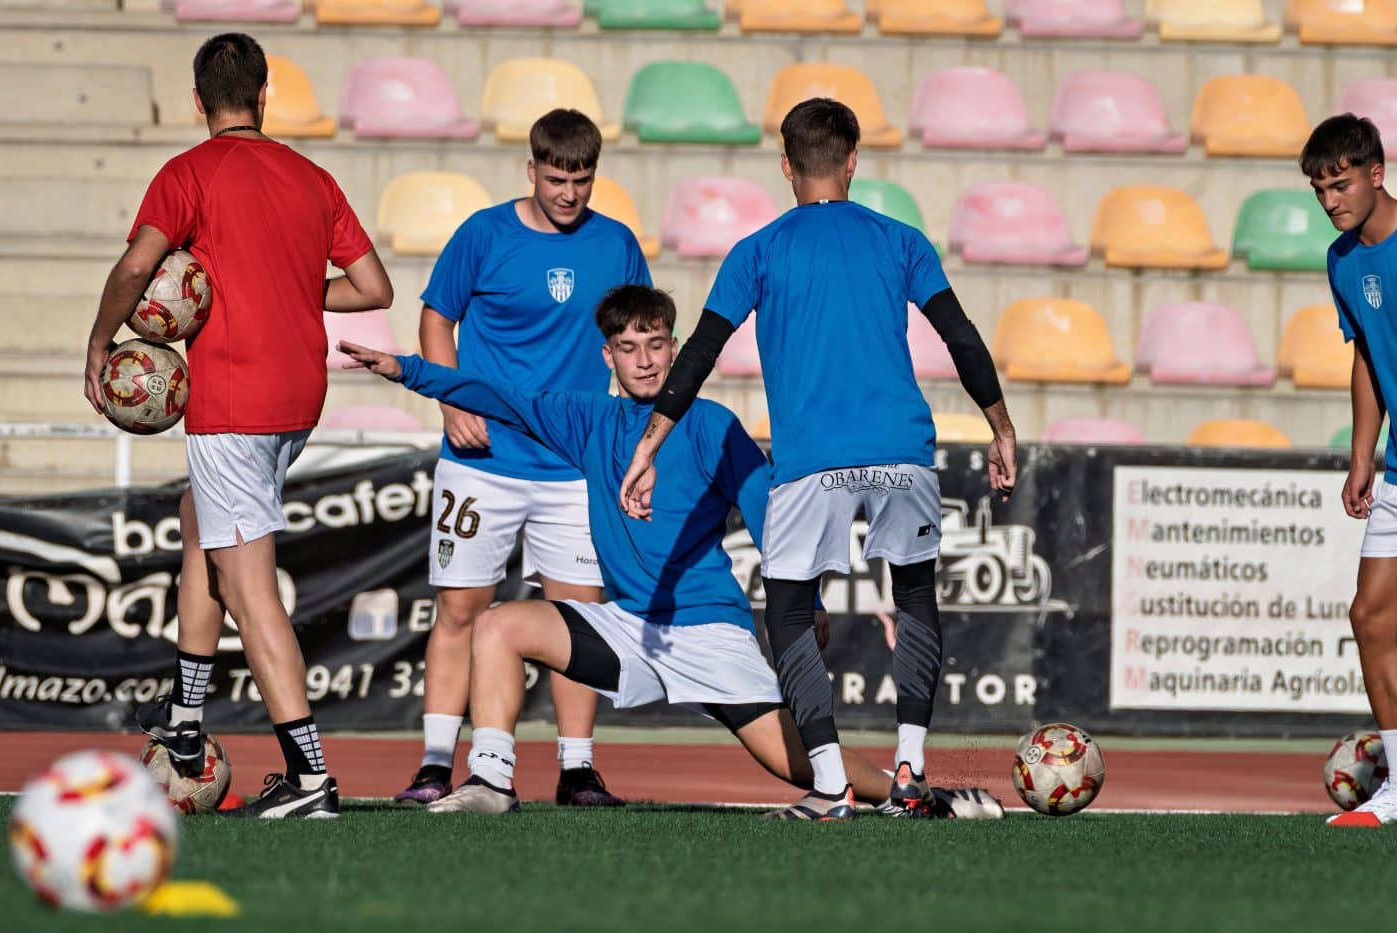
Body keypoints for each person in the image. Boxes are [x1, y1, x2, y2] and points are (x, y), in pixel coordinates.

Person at [338, 285, 1002, 820]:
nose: (645, 360)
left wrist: (811, 597)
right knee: (498, 624)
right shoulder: (588, 419)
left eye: (656, 344)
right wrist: (408, 370)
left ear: (677, 348)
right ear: (608, 357)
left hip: (709, 628)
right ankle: (490, 778)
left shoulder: (712, 424)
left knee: (796, 763)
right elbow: (496, 396)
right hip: (630, 625)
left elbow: (769, 510)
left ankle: (918, 796)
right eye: (629, 348)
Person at [617, 98, 1017, 819]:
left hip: (812, 462)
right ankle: (909, 773)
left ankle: (830, 785)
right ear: (854, 160)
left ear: (786, 167)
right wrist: (1001, 427)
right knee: (916, 596)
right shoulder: (902, 240)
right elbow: (961, 336)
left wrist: (649, 444)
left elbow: (700, 351)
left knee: (793, 612)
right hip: (903, 450)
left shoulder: (759, 250)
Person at [82, 32, 392, 819]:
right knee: (201, 527)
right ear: (264, 96)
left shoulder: (190, 171)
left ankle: (311, 773)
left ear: (198, 100)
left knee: (251, 589)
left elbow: (132, 269)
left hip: (234, 401)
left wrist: (98, 342)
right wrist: (290, 287)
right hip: (298, 396)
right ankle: (185, 722)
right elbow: (374, 287)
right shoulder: (312, 176)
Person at [394, 109, 650, 809]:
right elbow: (434, 319)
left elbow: (639, 342)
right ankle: (435, 762)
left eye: (582, 178)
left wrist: (639, 441)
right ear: (530, 168)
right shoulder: (483, 233)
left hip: (573, 465)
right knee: (460, 608)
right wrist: (450, 401)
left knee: (578, 616)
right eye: (557, 176)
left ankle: (577, 768)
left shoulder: (618, 244)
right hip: (481, 461)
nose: (569, 192)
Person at [1303, 114, 1397, 827]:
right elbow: (1365, 354)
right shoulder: (1342, 261)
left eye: (1340, 184)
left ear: (1376, 172)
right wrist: (1362, 453)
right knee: (1369, 614)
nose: (1331, 200)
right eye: (1320, 189)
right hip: (1394, 469)